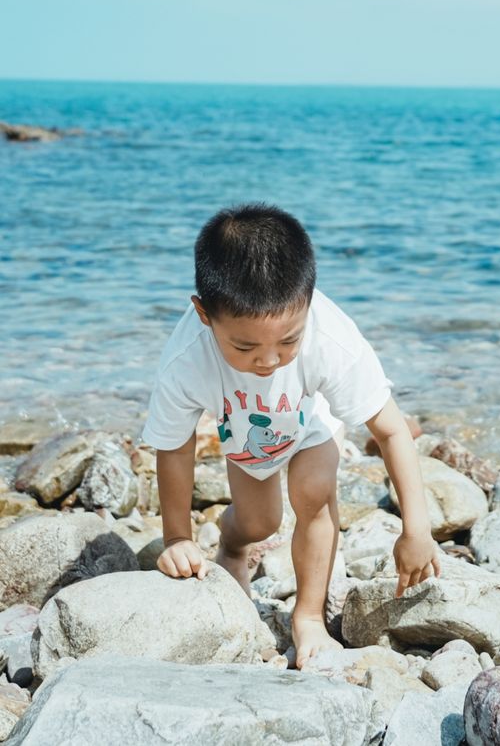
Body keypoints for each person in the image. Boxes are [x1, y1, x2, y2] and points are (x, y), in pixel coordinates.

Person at [141, 203, 440, 668]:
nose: (269, 361)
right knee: (258, 522)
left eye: (288, 342)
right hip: (246, 432)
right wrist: (177, 537)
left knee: (314, 493)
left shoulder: (330, 339)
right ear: (204, 314)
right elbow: (175, 446)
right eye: (244, 346)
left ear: (308, 302)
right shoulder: (187, 359)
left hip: (311, 417)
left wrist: (416, 529)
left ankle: (308, 616)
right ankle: (232, 546)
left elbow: (392, 431)